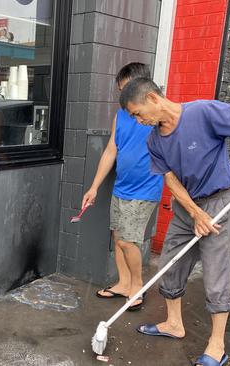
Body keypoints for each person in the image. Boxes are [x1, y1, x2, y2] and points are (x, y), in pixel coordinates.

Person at [119, 78, 230, 366]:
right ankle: (174, 324)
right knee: (170, 263)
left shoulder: (202, 112)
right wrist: (194, 212)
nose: (139, 121)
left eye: (138, 113)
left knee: (215, 272)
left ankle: (217, 345)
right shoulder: (154, 140)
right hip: (187, 205)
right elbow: (169, 178)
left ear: (153, 98)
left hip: (220, 200)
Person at [81, 63, 163, 311]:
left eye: (126, 90)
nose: (123, 98)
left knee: (128, 241)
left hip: (145, 188)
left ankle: (137, 286)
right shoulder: (121, 116)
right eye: (121, 91)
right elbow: (111, 151)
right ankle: (124, 283)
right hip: (121, 187)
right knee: (118, 236)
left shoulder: (157, 115)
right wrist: (94, 187)